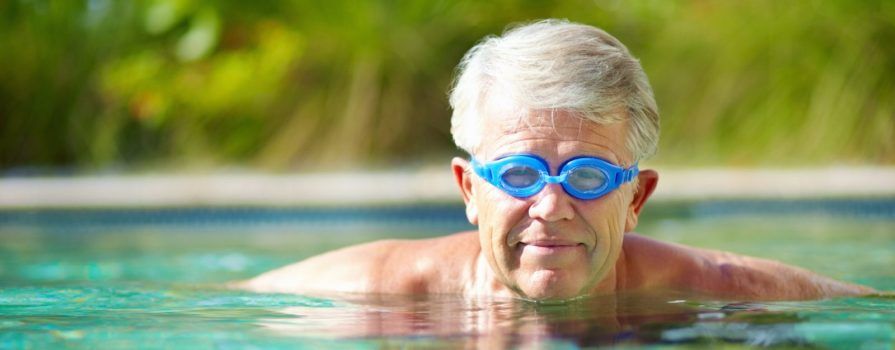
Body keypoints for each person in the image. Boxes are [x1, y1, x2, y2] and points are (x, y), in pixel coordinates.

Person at [243, 19, 874, 301]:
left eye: (588, 176)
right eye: (518, 173)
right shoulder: (363, 300)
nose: (551, 206)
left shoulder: (728, 297)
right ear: (469, 189)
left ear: (635, 200)